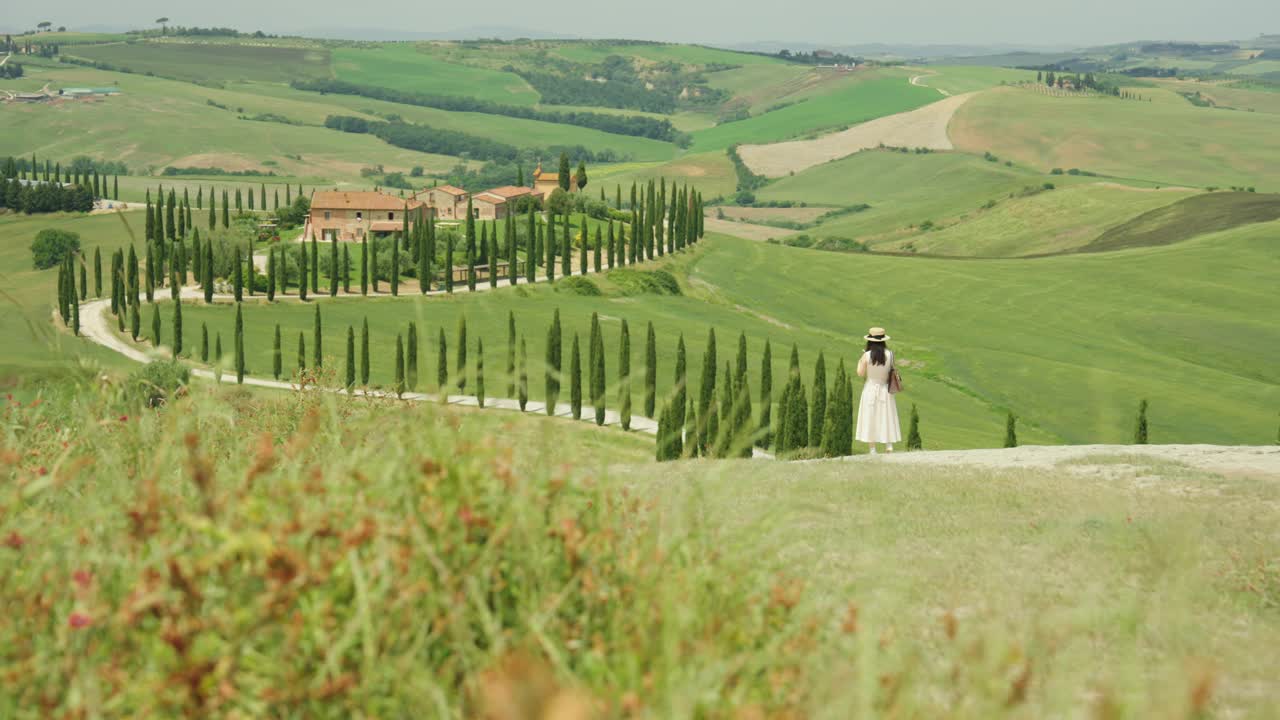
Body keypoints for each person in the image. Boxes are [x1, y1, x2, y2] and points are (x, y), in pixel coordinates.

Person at [856, 327, 901, 454]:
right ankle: (889, 445)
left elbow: (860, 373)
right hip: (884, 389)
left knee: (871, 417)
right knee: (886, 415)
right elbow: (890, 371)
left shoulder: (866, 355)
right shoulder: (890, 354)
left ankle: (872, 449)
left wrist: (861, 359)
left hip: (870, 388)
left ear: (870, 341)